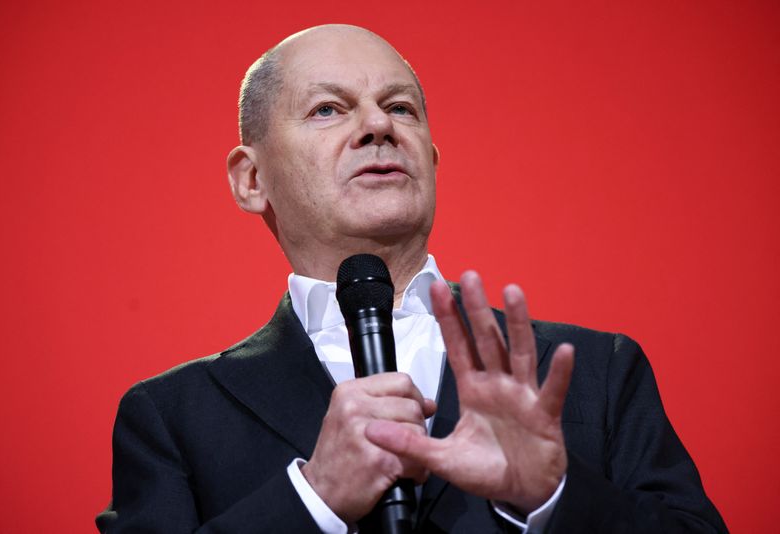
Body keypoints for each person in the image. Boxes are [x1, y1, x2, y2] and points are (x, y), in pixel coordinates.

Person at [96, 24, 726, 533]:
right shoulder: (172, 417)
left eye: (400, 107)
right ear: (252, 179)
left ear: (430, 159)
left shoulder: (597, 371)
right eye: (326, 109)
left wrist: (556, 498)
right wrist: (313, 500)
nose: (378, 126)